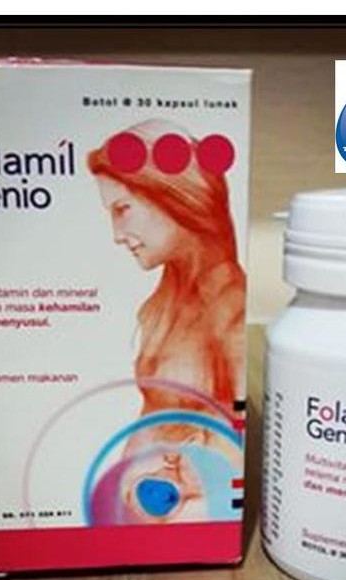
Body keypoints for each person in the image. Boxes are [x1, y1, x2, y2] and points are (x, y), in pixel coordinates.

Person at [87, 119, 245, 520]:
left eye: (122, 209)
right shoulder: (161, 308)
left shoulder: (230, 308)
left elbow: (231, 447)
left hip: (187, 517)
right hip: (147, 514)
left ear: (174, 197)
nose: (116, 234)